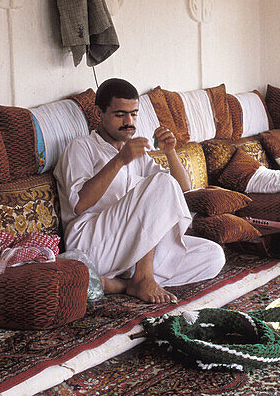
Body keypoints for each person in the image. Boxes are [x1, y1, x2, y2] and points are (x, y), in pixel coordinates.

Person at [55, 78, 225, 303]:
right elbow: (79, 204)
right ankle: (143, 277)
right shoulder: (80, 147)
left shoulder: (135, 152)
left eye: (134, 114)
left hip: (129, 248)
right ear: (99, 113)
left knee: (212, 256)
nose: (129, 122)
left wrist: (170, 152)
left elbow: (182, 188)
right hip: (92, 244)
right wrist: (119, 161)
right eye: (120, 115)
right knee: (161, 183)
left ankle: (122, 284)